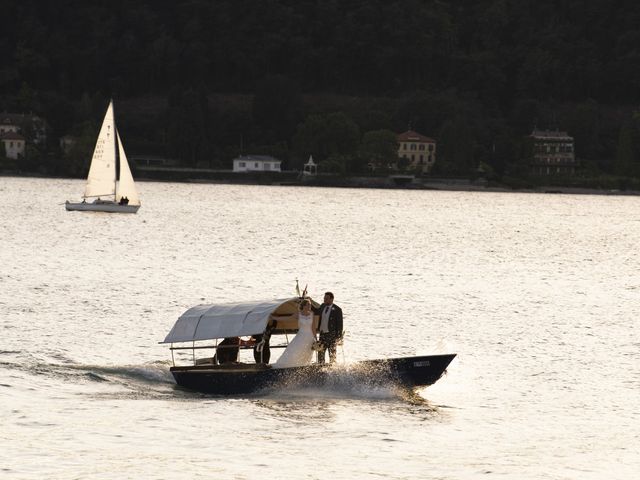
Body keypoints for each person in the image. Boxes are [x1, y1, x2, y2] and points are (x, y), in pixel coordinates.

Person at [273, 299, 316, 368]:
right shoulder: (298, 314)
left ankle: (304, 366)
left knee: (307, 352)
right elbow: (287, 318)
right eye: (308, 305)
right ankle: (288, 365)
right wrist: (275, 318)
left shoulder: (312, 314)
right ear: (304, 306)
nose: (310, 306)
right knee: (294, 350)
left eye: (310, 305)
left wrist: (315, 338)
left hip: (309, 336)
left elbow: (313, 327)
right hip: (301, 336)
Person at [314, 292, 343, 364]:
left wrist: (339, 337)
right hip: (322, 334)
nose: (324, 300)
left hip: (332, 335)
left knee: (332, 354)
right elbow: (315, 311)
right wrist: (307, 301)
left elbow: (340, 324)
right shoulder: (322, 306)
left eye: (326, 298)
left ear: (332, 299)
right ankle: (320, 369)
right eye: (324, 298)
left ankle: (333, 371)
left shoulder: (337, 309)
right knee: (320, 353)